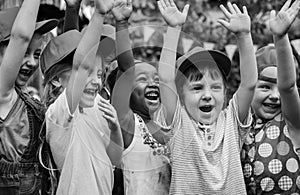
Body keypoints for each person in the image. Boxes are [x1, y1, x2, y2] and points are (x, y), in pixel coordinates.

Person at [155, 0, 257, 194]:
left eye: (216, 87)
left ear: (226, 93)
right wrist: (174, 28)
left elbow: (249, 83)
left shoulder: (232, 122)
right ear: (181, 95)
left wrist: (244, 36)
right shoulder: (178, 123)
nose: (207, 95)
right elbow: (165, 78)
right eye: (197, 88)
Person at [45, 0, 123, 194]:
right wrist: (99, 14)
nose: (97, 81)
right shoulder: (59, 115)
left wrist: (115, 131)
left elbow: (115, 159)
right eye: (89, 73)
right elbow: (81, 66)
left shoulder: (99, 106)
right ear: (57, 82)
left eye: (99, 74)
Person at [110, 0, 173, 194]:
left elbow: (168, 75)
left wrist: (173, 29)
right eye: (143, 79)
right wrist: (121, 23)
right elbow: (126, 69)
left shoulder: (167, 127)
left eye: (155, 79)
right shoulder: (128, 124)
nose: (153, 83)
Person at [241, 0, 300, 194]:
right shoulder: (239, 127)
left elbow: (288, 88)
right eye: (265, 87)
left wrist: (280, 37)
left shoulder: (292, 122)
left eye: (279, 89)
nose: (275, 96)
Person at [0, 2, 58, 194]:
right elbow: (20, 37)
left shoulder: (23, 96)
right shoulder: (3, 93)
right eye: (24, 53)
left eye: (37, 54)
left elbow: (67, 67)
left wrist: (73, 10)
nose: (32, 62)